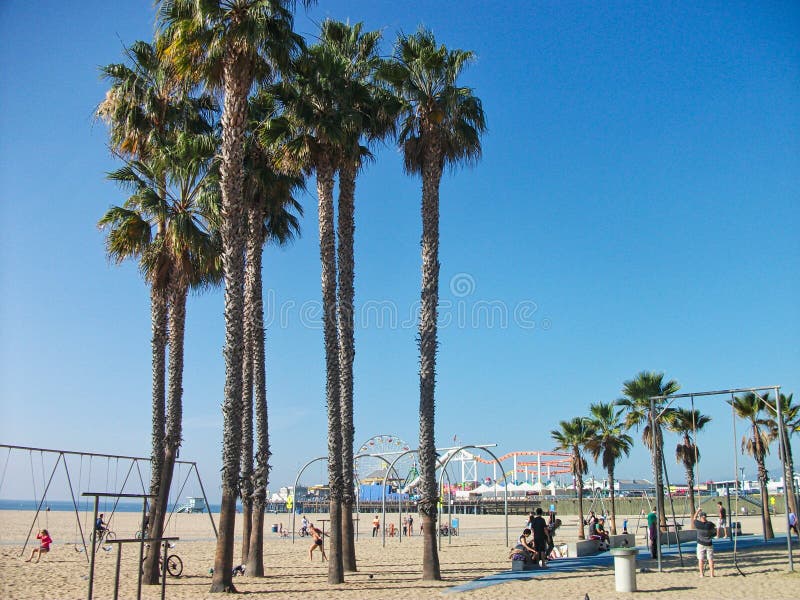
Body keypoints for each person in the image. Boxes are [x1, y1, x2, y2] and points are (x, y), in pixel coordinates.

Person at [693, 508, 716, 577]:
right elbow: (714, 533)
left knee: (701, 559)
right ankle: (712, 574)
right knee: (710, 559)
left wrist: (698, 510)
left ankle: (701, 574)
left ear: (700, 517)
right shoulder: (710, 524)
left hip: (700, 543)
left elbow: (694, 518)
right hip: (709, 543)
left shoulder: (698, 524)